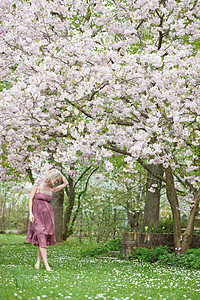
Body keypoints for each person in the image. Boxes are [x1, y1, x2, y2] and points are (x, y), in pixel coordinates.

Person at [25, 169, 68, 271]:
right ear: (51, 177)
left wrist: (59, 172)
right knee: (41, 235)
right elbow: (30, 199)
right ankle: (46, 265)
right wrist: (30, 213)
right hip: (36, 214)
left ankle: (38, 263)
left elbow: (66, 183)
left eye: (57, 180)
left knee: (42, 237)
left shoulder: (52, 189)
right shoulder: (37, 185)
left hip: (48, 216)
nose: (57, 182)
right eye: (56, 180)